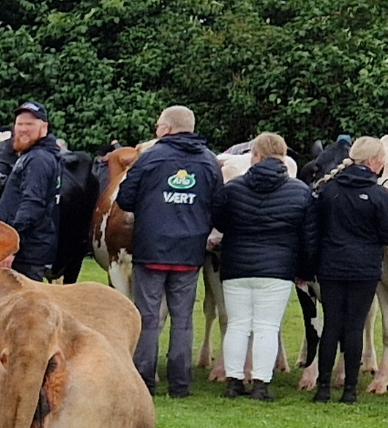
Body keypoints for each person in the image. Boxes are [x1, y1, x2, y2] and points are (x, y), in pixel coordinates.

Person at [116, 104, 222, 398]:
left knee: (148, 317)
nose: (156, 129)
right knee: (183, 318)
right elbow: (219, 206)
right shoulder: (209, 161)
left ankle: (144, 380)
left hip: (151, 249)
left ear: (169, 128)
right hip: (189, 252)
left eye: (159, 125)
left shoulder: (150, 157)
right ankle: (180, 383)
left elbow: (125, 198)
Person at [212, 132, 316, 401]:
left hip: (237, 266)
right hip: (277, 268)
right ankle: (261, 383)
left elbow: (220, 223)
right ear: (283, 156)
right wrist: (303, 270)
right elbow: (308, 237)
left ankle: (234, 381)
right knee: (267, 327)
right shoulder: (299, 191)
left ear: (254, 156)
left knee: (237, 324)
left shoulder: (233, 189)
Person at [312, 136, 388, 405]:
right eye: (381, 159)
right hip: (364, 268)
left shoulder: (328, 190)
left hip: (331, 265)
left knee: (332, 325)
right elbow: (385, 234)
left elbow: (317, 228)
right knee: (355, 327)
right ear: (371, 161)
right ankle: (350, 390)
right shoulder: (380, 195)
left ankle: (322, 388)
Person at [0, 101, 61, 280]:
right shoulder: (35, 155)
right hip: (29, 249)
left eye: (30, 124)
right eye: (19, 124)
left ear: (44, 127)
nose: (23, 129)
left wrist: (11, 247)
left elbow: (32, 205)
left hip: (26, 253)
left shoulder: (38, 159)